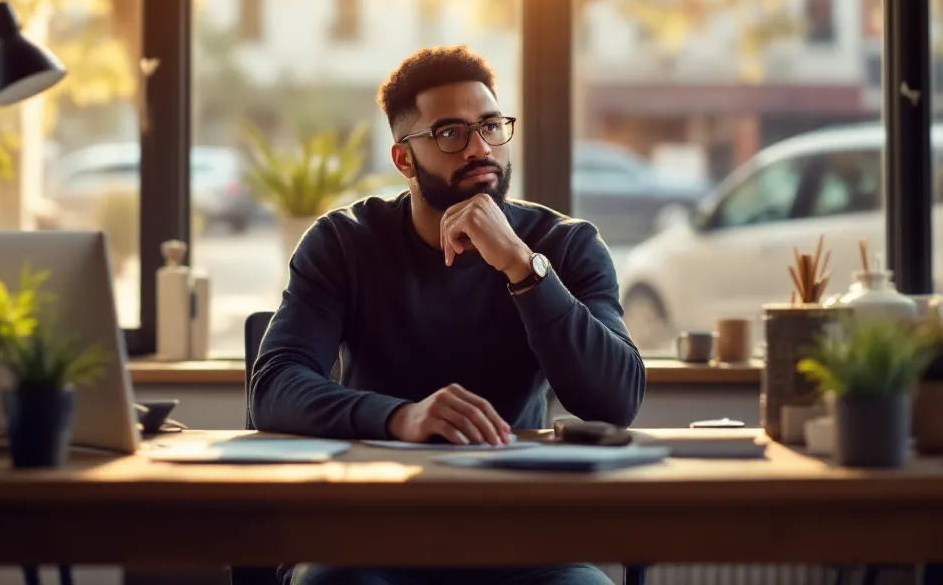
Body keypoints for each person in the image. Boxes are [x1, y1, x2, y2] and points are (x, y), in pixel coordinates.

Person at [250, 46, 646, 585]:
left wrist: (521, 267)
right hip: (372, 537)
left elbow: (615, 401)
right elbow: (274, 385)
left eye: (489, 126)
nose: (480, 148)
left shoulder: (566, 246)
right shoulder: (343, 243)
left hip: (524, 543)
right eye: (450, 134)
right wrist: (400, 418)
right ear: (403, 159)